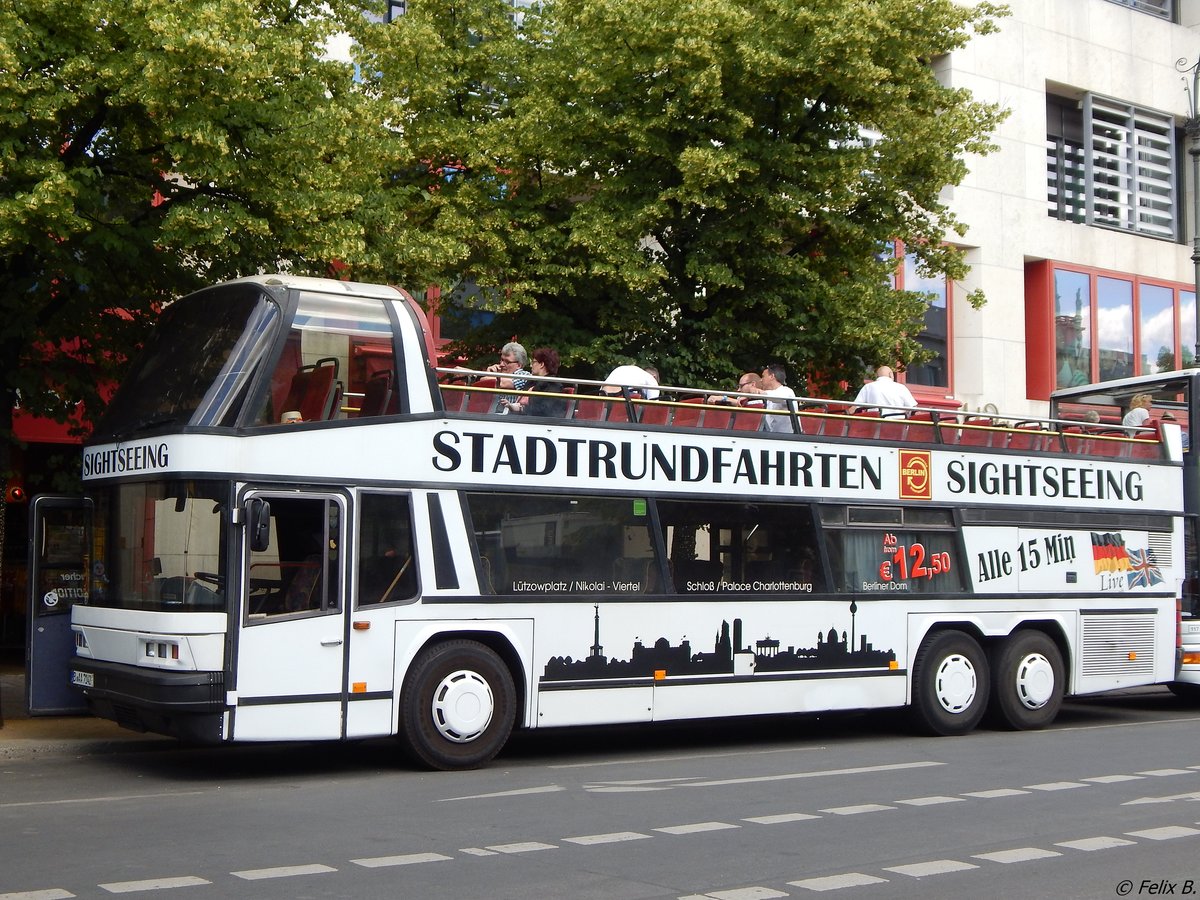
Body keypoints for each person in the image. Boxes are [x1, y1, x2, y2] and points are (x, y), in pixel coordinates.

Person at [511, 347, 569, 417]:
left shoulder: (554, 385)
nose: (531, 365)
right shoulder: (531, 382)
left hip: (540, 422)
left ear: (541, 364)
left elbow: (546, 410)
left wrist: (521, 409)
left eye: (533, 362)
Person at [743, 363, 796, 433]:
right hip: (773, 436)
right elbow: (755, 404)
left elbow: (776, 397)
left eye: (763, 376)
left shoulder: (787, 392)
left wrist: (757, 391)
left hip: (787, 438)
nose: (761, 380)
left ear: (772, 376)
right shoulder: (769, 397)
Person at [852, 365, 917, 415]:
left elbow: (855, 407)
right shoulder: (901, 388)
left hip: (875, 424)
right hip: (898, 425)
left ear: (877, 376)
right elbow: (913, 408)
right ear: (891, 374)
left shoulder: (868, 387)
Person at [488, 342, 531, 413]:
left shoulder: (524, 375)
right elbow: (484, 381)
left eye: (507, 362)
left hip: (511, 417)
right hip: (494, 414)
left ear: (519, 365)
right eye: (502, 360)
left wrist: (489, 375)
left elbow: (501, 383)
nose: (501, 364)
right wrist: (490, 373)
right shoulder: (499, 374)